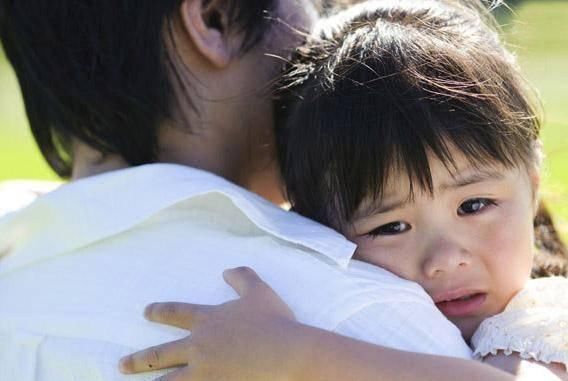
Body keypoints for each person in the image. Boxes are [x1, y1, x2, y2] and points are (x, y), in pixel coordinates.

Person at [0, 1, 520, 380]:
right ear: (213, 18)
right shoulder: (357, 310)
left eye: (473, 204)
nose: (317, 23)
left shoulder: (15, 285)